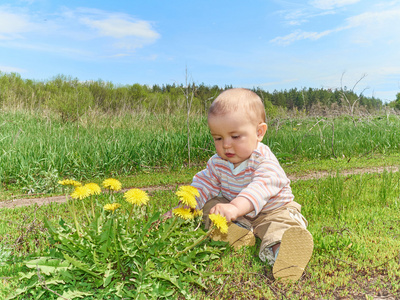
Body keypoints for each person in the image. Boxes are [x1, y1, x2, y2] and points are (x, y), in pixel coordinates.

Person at [191, 88, 313, 282]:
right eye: (218, 138)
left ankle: (284, 252)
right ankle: (237, 234)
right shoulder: (217, 162)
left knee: (280, 228)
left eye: (235, 136)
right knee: (210, 206)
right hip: (238, 214)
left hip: (272, 212)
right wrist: (186, 205)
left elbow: (259, 188)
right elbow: (203, 183)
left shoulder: (264, 160)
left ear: (259, 132)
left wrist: (234, 207)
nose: (226, 145)